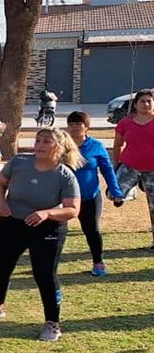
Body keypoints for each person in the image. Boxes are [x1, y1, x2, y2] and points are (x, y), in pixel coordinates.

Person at [0, 128, 82, 341]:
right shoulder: (19, 162)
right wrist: (1, 202)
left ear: (58, 147)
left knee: (44, 274)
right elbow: (0, 184)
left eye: (46, 141)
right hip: (12, 222)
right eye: (38, 140)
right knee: (1, 265)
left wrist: (47, 213)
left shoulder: (64, 175)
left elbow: (72, 210)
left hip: (48, 228)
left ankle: (52, 324)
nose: (39, 144)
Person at [66, 111, 122, 276]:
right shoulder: (61, 145)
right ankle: (46, 264)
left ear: (87, 127)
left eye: (79, 124)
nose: (75, 127)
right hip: (64, 197)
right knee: (53, 230)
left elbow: (107, 170)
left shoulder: (96, 146)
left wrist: (115, 190)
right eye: (72, 124)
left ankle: (98, 262)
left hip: (90, 196)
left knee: (91, 230)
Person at [112, 88, 154, 247]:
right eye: (142, 101)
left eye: (149, 101)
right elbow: (117, 145)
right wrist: (115, 166)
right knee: (113, 194)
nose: (146, 104)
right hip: (130, 166)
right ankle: (131, 191)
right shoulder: (126, 123)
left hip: (152, 170)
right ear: (135, 104)